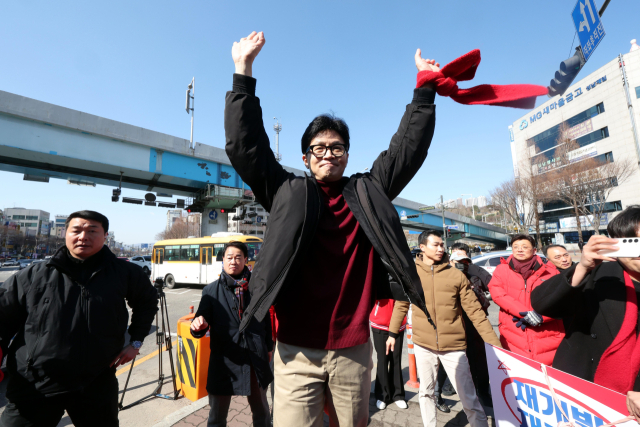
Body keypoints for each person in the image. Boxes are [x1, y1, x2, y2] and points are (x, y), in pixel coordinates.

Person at [225, 31, 438, 427]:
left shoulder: (368, 191)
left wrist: (423, 92)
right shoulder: (288, 191)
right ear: (305, 158)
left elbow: (406, 152)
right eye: (319, 149)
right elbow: (245, 147)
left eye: (336, 147)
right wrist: (243, 72)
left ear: (346, 154)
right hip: (294, 351)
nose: (328, 154)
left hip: (354, 350)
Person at [0, 210, 158, 427]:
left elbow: (147, 302)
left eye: (93, 231)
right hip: (35, 384)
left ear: (105, 236)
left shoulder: (124, 272)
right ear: (66, 233)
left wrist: (136, 341)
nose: (84, 236)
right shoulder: (34, 274)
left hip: (97, 382)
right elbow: (3, 316)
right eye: (77, 230)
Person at [531, 206, 640, 418]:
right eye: (633, 243)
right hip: (582, 393)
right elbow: (542, 304)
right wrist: (582, 267)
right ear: (615, 245)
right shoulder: (599, 273)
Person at [386, 230, 501, 427]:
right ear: (422, 248)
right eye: (435, 245)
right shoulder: (410, 274)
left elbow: (476, 313)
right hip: (423, 344)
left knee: (469, 398)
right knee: (426, 392)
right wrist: (392, 333)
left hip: (454, 347)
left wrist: (494, 345)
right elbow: (401, 305)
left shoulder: (455, 275)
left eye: (442, 245)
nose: (441, 249)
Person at [190, 241, 273, 427]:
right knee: (217, 416)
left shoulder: (257, 288)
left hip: (254, 357)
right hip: (225, 361)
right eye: (229, 257)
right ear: (223, 260)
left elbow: (265, 320)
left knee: (261, 411)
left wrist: (268, 346)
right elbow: (201, 319)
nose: (233, 261)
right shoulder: (211, 291)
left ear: (246, 260)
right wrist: (198, 326)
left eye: (238, 257)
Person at [488, 234, 564, 365]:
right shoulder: (501, 270)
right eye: (516, 247)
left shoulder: (551, 271)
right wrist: (525, 313)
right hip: (514, 332)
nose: (519, 250)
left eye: (524, 247)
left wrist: (541, 316)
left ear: (534, 250)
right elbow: (498, 294)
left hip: (547, 335)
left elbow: (562, 300)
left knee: (551, 379)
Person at [369, 289, 408, 410]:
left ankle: (398, 395)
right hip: (380, 321)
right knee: (382, 359)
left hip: (398, 323)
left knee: (396, 360)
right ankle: (382, 395)